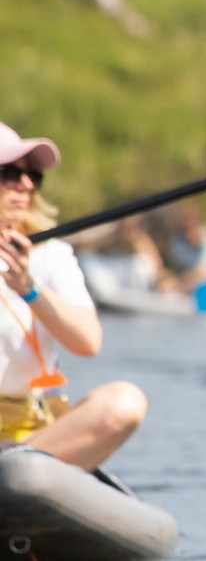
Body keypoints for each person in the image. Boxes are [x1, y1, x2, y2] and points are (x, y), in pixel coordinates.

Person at [0, 123, 146, 471]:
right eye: (9, 174)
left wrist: (29, 288)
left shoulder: (50, 254)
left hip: (32, 433)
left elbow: (88, 341)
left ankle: (22, 470)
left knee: (124, 402)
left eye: (34, 176)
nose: (25, 185)